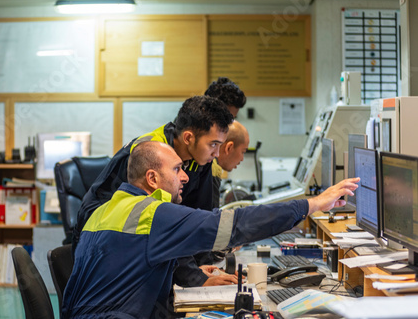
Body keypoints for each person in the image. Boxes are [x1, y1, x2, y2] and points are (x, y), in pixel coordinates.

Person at [62, 141, 359, 319]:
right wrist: (312, 204)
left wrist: (192, 275)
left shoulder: (107, 209)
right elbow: (235, 224)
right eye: (177, 169)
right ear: (152, 178)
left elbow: (135, 260)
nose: (185, 178)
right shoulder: (153, 214)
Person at [73, 95, 234, 250]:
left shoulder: (201, 156)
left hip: (143, 241)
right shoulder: (149, 154)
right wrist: (194, 276)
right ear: (188, 138)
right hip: (100, 238)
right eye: (213, 144)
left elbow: (199, 216)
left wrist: (207, 268)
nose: (217, 154)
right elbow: (157, 226)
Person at [211, 120, 250, 209]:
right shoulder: (211, 170)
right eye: (243, 152)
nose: (242, 159)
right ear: (229, 148)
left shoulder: (212, 166)